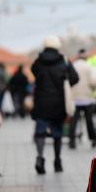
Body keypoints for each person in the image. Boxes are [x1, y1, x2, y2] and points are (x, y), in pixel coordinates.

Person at [31, 35, 79, 174]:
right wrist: (66, 85)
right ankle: (57, 161)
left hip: (41, 102)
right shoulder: (64, 61)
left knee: (40, 132)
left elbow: (34, 73)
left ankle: (40, 158)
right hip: (59, 102)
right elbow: (75, 78)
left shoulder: (38, 61)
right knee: (57, 132)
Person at [68, 49, 96, 149]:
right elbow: (94, 82)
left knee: (74, 120)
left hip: (74, 98)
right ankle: (93, 139)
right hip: (88, 98)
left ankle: (72, 141)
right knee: (89, 120)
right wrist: (93, 89)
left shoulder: (72, 66)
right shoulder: (90, 66)